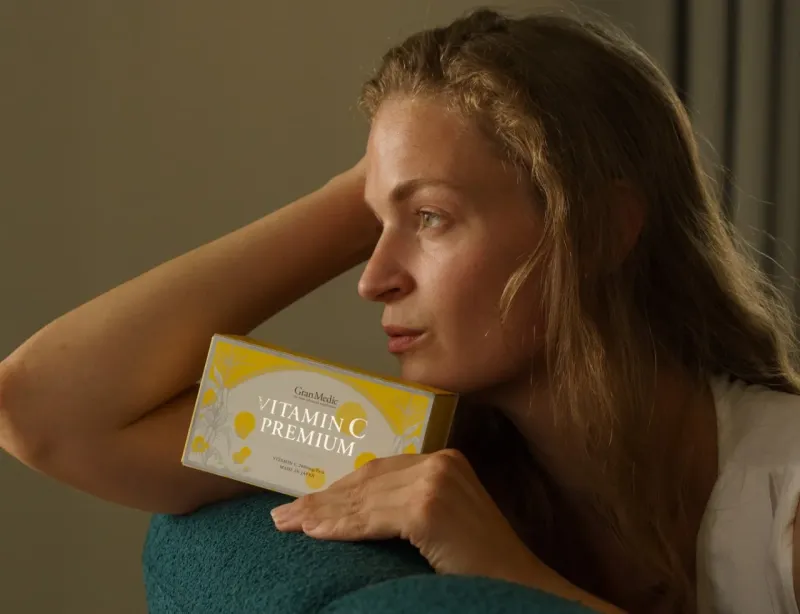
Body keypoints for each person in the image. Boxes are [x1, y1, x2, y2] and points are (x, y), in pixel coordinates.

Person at [1, 7, 798, 614]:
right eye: (372, 226)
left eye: (431, 220)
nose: (374, 278)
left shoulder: (785, 489)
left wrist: (510, 577)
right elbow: (42, 408)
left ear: (594, 232)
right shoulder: (397, 443)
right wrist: (376, 183)